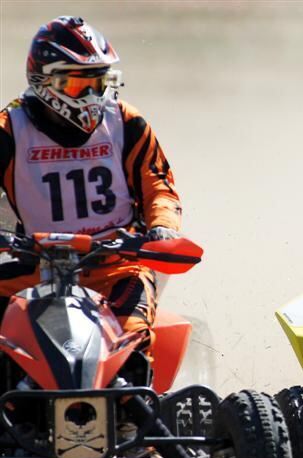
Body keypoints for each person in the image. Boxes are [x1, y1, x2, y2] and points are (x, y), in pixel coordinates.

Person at [0, 16, 181, 344]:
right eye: (76, 85)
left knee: (131, 341)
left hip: (115, 267)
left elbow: (157, 185)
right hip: (34, 266)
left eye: (97, 84)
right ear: (43, 80)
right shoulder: (9, 128)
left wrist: (164, 226)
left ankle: (131, 394)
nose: (89, 96)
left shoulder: (126, 121)